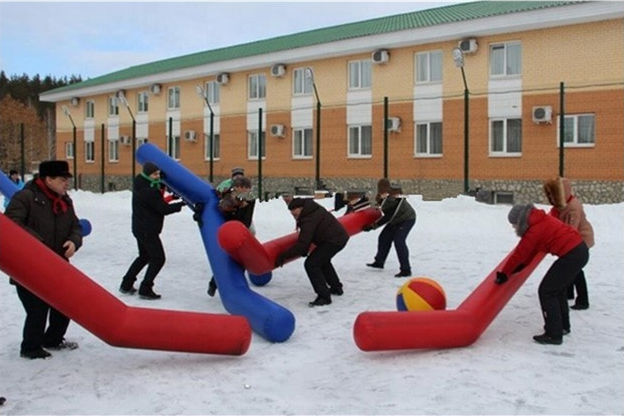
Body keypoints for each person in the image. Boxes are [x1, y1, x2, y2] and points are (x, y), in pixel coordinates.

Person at [5, 160, 83, 359]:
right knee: (37, 307)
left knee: (66, 302)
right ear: (48, 179)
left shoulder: (65, 201)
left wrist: (74, 241)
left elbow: (76, 226)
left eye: (67, 179)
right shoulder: (25, 197)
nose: (66, 183)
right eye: (62, 179)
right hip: (29, 266)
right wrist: (38, 246)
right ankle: (31, 347)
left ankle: (53, 339)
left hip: (58, 264)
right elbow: (11, 224)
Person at [495, 204, 589, 345]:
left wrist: (504, 273)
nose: (514, 227)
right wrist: (519, 267)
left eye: (514, 224)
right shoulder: (539, 220)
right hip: (579, 251)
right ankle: (563, 326)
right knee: (557, 290)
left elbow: (520, 253)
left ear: (520, 221)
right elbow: (531, 252)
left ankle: (553, 334)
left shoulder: (534, 230)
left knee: (547, 291)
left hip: (572, 255)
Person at [119, 162, 185, 300]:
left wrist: (171, 197)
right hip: (147, 230)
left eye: (158, 174)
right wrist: (182, 203)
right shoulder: (149, 191)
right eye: (155, 174)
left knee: (144, 256)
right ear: (148, 175)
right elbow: (163, 209)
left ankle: (126, 284)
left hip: (139, 227)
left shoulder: (141, 182)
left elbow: (156, 202)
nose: (158, 177)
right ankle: (145, 288)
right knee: (158, 258)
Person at [274, 197, 349, 307]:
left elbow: (302, 244)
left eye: (294, 211)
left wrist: (283, 256)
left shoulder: (308, 219)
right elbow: (306, 241)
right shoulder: (312, 209)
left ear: (301, 208)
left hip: (333, 241)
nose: (293, 214)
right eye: (291, 212)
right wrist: (303, 250)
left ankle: (324, 297)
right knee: (323, 261)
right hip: (337, 238)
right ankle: (336, 287)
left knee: (311, 264)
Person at [543, 177, 595, 310]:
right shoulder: (561, 206)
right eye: (549, 194)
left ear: (562, 192)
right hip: (573, 241)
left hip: (582, 238)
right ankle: (568, 293)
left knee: (575, 269)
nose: (551, 197)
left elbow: (571, 230)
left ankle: (583, 300)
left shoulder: (573, 207)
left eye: (553, 194)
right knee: (570, 267)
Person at [207, 176, 256, 297]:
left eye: (248, 188)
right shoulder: (228, 198)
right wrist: (234, 206)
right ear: (238, 188)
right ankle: (214, 283)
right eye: (246, 188)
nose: (248, 191)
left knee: (241, 260)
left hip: (241, 231)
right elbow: (222, 211)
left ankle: (234, 286)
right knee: (227, 259)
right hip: (229, 231)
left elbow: (247, 219)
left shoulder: (249, 199)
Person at [365, 179, 416, 277]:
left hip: (407, 219)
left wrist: (372, 226)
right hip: (395, 220)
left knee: (399, 241)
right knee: (384, 238)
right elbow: (378, 208)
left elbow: (388, 216)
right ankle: (379, 262)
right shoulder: (382, 196)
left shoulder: (397, 199)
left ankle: (406, 269)